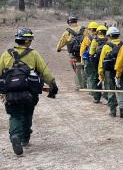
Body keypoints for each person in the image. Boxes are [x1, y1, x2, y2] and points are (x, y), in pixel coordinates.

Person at [0, 28, 58, 156]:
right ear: (27, 41)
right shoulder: (33, 54)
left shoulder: (6, 54)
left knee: (15, 115)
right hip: (29, 92)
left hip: (11, 93)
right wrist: (52, 84)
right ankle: (25, 138)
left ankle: (15, 135)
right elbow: (45, 71)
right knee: (27, 113)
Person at [98, 26, 123, 118]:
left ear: (109, 36)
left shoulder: (106, 46)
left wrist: (101, 75)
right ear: (118, 35)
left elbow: (101, 62)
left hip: (109, 72)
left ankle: (113, 110)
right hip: (121, 70)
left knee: (110, 90)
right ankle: (122, 106)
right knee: (122, 89)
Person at [55, 15, 85, 90]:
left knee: (76, 69)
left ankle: (79, 86)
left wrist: (58, 48)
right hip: (83, 53)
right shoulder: (84, 30)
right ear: (76, 21)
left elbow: (61, 42)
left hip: (73, 54)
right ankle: (85, 84)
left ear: (69, 23)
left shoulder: (67, 32)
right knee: (83, 67)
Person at [80, 21, 99, 90]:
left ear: (90, 29)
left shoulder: (87, 38)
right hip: (98, 59)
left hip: (89, 59)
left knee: (89, 76)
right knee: (96, 75)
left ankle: (91, 91)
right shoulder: (99, 38)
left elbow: (82, 50)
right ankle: (98, 90)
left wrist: (82, 60)